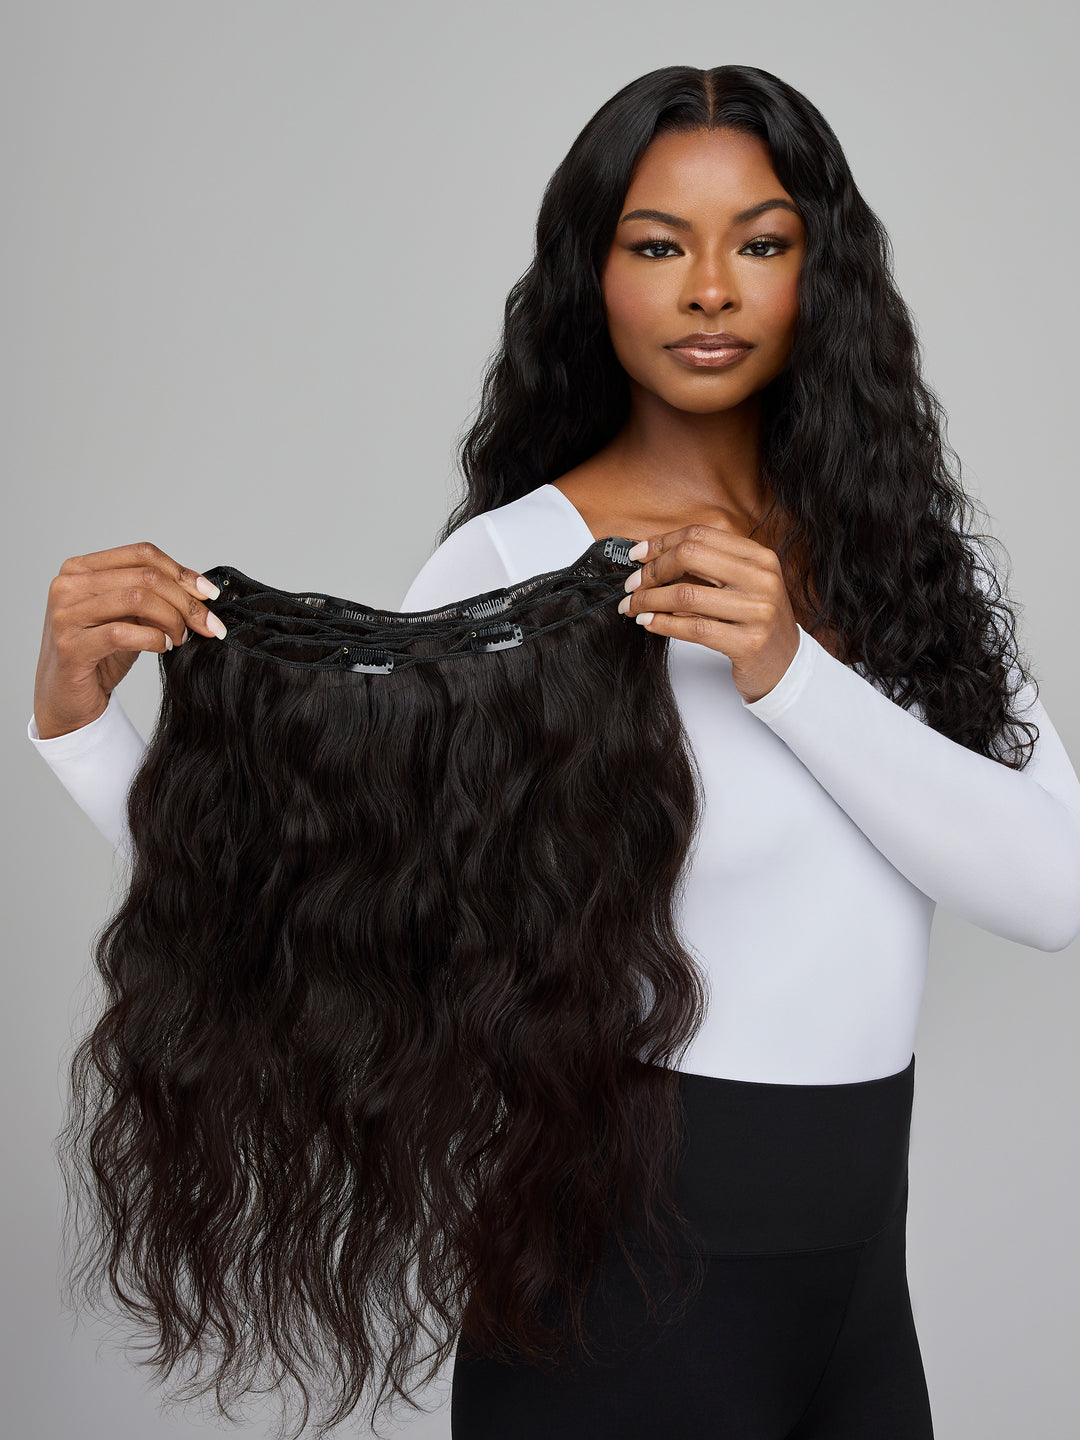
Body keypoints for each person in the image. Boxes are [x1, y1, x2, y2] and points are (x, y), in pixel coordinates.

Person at [30, 63, 1080, 1440]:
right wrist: (79, 737)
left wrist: (789, 673)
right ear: (594, 276)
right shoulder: (512, 566)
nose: (712, 290)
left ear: (822, 273)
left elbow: (1054, 890)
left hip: (859, 1305)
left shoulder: (912, 566)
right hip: (616, 1298)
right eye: (659, 246)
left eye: (762, 244)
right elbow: (348, 916)